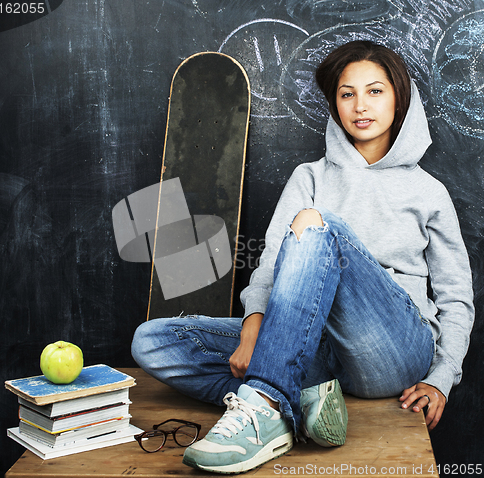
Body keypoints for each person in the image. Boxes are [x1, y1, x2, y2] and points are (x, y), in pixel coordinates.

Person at [131, 40, 474, 474]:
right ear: (335, 104)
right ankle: (302, 404)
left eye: (375, 91)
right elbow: (273, 262)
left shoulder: (429, 192)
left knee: (316, 226)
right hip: (315, 351)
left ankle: (266, 408)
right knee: (154, 342)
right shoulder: (309, 177)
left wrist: (440, 378)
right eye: (347, 94)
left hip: (392, 354)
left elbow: (456, 297)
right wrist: (254, 326)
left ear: (399, 99)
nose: (360, 105)